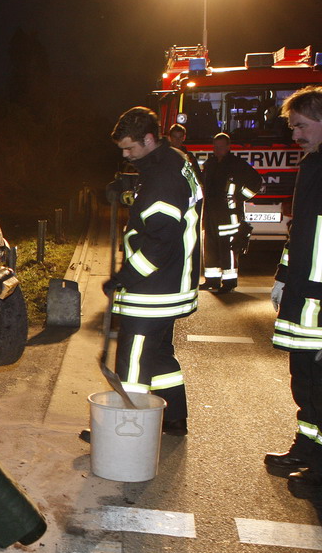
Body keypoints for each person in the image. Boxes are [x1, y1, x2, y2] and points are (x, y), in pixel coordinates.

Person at [104, 107, 202, 435]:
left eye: (130, 148)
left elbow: (160, 242)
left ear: (149, 139)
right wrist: (129, 189)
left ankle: (126, 428)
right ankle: (173, 418)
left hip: (153, 287)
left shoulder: (163, 178)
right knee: (159, 354)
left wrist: (124, 278)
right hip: (173, 281)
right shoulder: (172, 159)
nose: (126, 155)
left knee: (133, 359)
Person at [264, 86, 322, 499]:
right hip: (306, 296)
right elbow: (302, 232)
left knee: (318, 383)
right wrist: (285, 275)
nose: (294, 136)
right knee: (305, 380)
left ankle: (319, 470)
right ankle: (307, 449)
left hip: (318, 300)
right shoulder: (314, 163)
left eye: (300, 126)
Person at [199, 132, 262, 292]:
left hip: (228, 216)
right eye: (215, 147)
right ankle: (212, 280)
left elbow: (256, 182)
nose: (217, 149)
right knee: (210, 248)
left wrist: (240, 197)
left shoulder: (236, 164)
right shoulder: (210, 164)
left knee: (228, 249)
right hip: (211, 214)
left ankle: (229, 282)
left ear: (228, 147)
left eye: (221, 147)